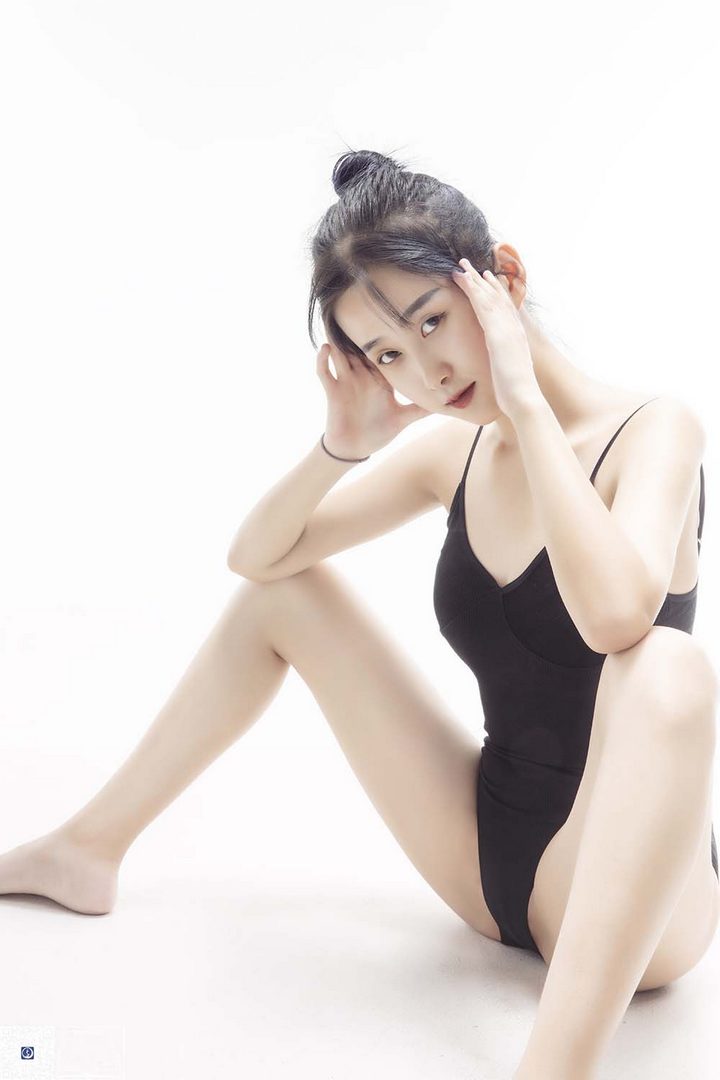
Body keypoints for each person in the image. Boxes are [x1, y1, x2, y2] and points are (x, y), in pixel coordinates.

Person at [1, 148, 718, 1074]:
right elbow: (258, 560)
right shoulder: (453, 456)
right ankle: (87, 849)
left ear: (502, 279)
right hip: (486, 862)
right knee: (288, 595)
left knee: (669, 667)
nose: (424, 372)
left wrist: (529, 406)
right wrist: (340, 447)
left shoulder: (655, 430)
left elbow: (618, 620)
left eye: (431, 322)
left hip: (638, 909)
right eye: (387, 356)